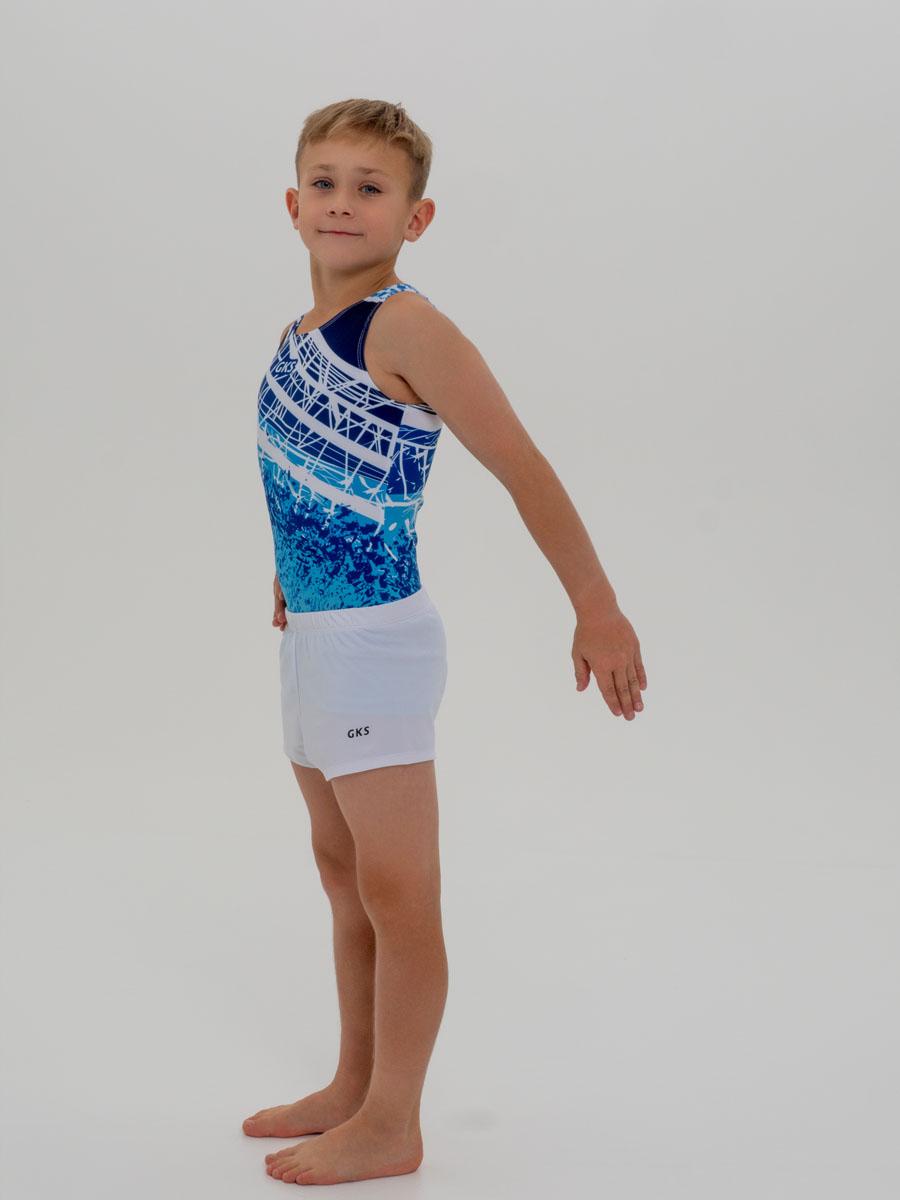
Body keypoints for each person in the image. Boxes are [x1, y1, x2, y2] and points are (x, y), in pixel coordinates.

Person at [243, 97, 647, 1187]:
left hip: (377, 645)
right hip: (315, 638)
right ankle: (353, 1083)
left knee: (398, 890)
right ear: (292, 203)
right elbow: (311, 475)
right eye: (325, 183)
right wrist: (291, 574)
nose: (343, 203)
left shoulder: (407, 327)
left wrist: (597, 606)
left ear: (415, 219)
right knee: (342, 874)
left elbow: (523, 465)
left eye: (371, 188)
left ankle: (394, 1122)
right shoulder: (297, 335)